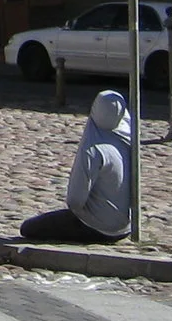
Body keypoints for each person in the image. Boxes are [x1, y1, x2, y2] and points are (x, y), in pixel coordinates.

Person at [21, 90, 133, 243]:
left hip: (97, 228)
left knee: (28, 227)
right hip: (125, 227)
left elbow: (74, 201)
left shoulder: (93, 148)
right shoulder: (126, 140)